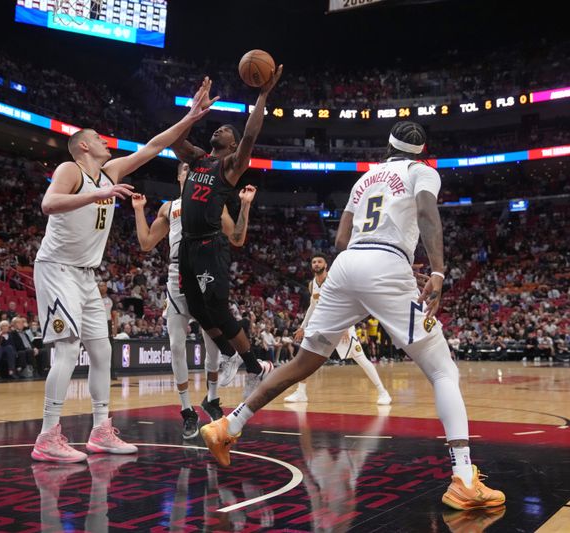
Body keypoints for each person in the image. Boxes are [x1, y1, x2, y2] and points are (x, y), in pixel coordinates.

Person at [201, 121, 505, 511]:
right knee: (443, 370)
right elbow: (428, 214)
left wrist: (385, 257)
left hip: (347, 266)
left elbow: (342, 241)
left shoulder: (364, 180)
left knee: (302, 362)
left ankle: (229, 424)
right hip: (385, 266)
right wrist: (438, 270)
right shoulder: (421, 171)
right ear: (422, 151)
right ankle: (463, 478)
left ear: (388, 148)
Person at [30, 79, 215, 463]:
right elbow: (48, 204)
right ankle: (47, 435)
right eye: (97, 138)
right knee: (66, 352)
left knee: (102, 350)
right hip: (56, 268)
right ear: (84, 145)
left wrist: (191, 116)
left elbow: (155, 145)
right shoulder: (71, 169)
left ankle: (100, 430)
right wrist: (97, 195)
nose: (105, 141)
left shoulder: (111, 171)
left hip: (84, 275)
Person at [170, 67, 283, 400]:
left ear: (231, 144)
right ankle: (232, 354)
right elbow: (175, 139)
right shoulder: (198, 158)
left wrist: (262, 96)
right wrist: (194, 111)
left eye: (224, 129)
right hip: (188, 247)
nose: (217, 129)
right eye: (216, 126)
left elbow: (250, 136)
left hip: (210, 244)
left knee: (217, 308)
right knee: (196, 307)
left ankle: (254, 365)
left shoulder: (229, 166)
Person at [131, 161, 255, 439]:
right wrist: (139, 211)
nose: (191, 173)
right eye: (186, 170)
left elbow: (237, 238)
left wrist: (245, 205)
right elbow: (146, 243)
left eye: (195, 170)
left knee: (212, 348)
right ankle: (187, 410)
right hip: (177, 273)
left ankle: (211, 398)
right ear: (178, 176)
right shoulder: (169, 207)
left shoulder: (212, 203)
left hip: (204, 273)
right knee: (176, 345)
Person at [284, 254, 391, 404]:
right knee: (304, 358)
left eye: (319, 261)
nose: (316, 264)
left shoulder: (334, 281)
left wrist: (345, 327)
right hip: (321, 328)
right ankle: (301, 392)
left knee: (361, 359)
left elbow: (347, 303)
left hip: (341, 326)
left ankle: (383, 392)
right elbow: (312, 307)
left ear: (326, 265)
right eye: (313, 262)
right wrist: (303, 327)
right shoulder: (312, 284)